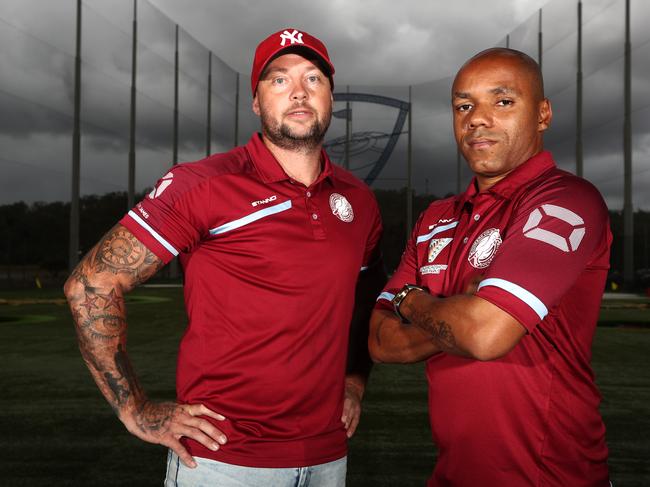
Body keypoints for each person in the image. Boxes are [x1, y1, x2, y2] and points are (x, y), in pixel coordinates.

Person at [64, 28, 385, 487]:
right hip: (223, 462)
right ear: (256, 102)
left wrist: (354, 381)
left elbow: (367, 295)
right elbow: (90, 285)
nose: (298, 91)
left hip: (327, 457)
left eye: (313, 78)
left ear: (332, 95)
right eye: (278, 80)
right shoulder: (205, 183)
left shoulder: (360, 201)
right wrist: (134, 407)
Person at [369, 48, 611, 486]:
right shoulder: (434, 219)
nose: (477, 119)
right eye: (464, 105)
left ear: (542, 115)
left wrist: (412, 299)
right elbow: (381, 341)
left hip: (550, 477)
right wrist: (461, 311)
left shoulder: (565, 199)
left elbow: (484, 335)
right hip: (452, 474)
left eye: (502, 102)